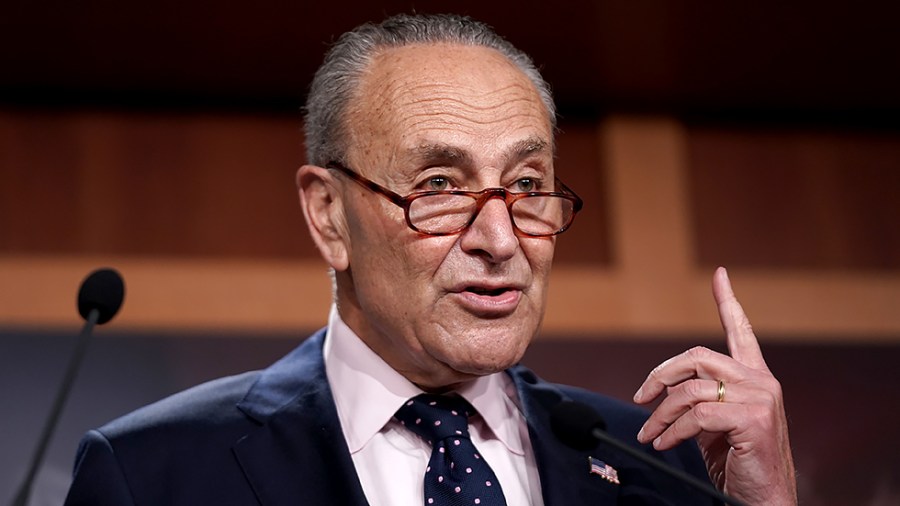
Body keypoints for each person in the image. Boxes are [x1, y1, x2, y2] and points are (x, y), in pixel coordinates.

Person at [63, 13, 797, 506]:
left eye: (527, 186)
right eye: (440, 186)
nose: (501, 240)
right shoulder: (155, 474)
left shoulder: (654, 466)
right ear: (329, 216)